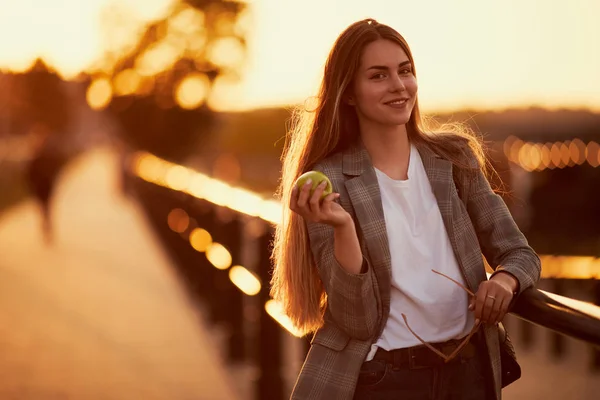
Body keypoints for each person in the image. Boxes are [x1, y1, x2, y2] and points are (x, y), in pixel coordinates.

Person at [270, 18, 541, 400]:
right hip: (385, 379)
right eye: (378, 76)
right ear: (348, 93)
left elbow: (520, 253)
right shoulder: (328, 181)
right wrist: (343, 227)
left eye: (405, 71)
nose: (399, 86)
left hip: (469, 374)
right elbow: (357, 321)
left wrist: (505, 280)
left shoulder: (454, 158)